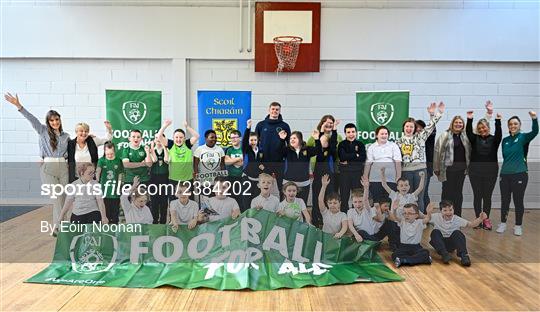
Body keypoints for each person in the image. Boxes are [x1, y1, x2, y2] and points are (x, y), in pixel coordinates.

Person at [4, 92, 70, 226]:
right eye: (52, 120)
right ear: (48, 122)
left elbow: (73, 151)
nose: (55, 122)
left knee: (64, 198)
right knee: (57, 197)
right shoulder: (42, 130)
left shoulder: (66, 136)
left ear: (60, 120)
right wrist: (19, 106)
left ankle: (65, 224)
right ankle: (59, 226)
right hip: (48, 168)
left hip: (63, 168)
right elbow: (31, 119)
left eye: (57, 119)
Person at [396, 102, 444, 213]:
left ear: (414, 128)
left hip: (420, 170)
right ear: (403, 128)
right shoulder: (398, 141)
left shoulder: (421, 137)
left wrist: (437, 113)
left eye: (411, 126)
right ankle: (408, 219)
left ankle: (419, 221)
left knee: (419, 198)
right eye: (407, 126)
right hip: (406, 172)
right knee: (408, 198)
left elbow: (430, 127)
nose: (409, 128)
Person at [496, 111, 538, 236]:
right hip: (505, 174)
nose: (513, 126)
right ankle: (503, 223)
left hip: (520, 174)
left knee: (518, 200)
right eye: (510, 124)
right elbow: (505, 156)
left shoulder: (523, 138)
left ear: (519, 125)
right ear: (508, 126)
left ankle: (518, 225)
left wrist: (534, 118)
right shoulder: (505, 140)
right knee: (505, 200)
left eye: (515, 124)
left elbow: (535, 131)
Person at [465, 103, 502, 230]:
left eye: (484, 127)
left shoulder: (494, 139)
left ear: (488, 127)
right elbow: (468, 131)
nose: (482, 130)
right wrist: (469, 119)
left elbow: (499, 133)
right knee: (477, 196)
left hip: (491, 172)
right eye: (479, 128)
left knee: (487, 196)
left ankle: (486, 219)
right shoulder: (474, 139)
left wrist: (497, 120)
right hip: (475, 172)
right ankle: (478, 219)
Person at [429, 200, 487, 266]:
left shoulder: (457, 219)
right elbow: (423, 218)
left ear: (453, 210)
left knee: (457, 233)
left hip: (451, 244)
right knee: (435, 232)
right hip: (439, 243)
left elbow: (471, 224)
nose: (448, 212)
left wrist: (480, 219)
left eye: (450, 210)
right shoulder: (436, 216)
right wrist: (428, 212)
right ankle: (444, 254)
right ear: (441, 211)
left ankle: (464, 256)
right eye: (445, 210)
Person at [347, 177, 400, 250]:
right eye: (355, 202)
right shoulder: (350, 211)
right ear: (352, 202)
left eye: (360, 202)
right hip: (364, 236)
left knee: (390, 223)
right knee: (361, 232)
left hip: (376, 235)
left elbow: (365, 200)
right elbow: (350, 225)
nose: (358, 204)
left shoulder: (367, 209)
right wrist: (356, 235)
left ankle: (393, 245)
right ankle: (373, 244)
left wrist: (366, 188)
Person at [434, 116, 471, 217]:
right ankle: (445, 215)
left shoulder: (466, 136)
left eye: (460, 123)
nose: (458, 124)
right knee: (447, 193)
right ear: (452, 124)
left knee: (458, 193)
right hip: (447, 170)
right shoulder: (445, 135)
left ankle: (457, 216)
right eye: (456, 122)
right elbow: (437, 151)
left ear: (463, 125)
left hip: (461, 170)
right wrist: (436, 167)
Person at [156, 120, 199, 197]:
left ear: (184, 138)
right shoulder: (171, 144)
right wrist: (165, 125)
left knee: (188, 201)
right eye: (176, 137)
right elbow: (159, 136)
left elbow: (197, 136)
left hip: (187, 179)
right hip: (174, 179)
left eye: (181, 137)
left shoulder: (187, 144)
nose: (178, 139)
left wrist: (187, 127)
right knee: (174, 202)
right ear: (173, 138)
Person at [255, 102, 291, 194]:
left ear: (279, 111)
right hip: (265, 162)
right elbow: (255, 144)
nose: (275, 111)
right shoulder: (261, 125)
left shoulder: (285, 126)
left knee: (282, 187)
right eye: (273, 109)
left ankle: (282, 206)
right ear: (269, 110)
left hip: (280, 162)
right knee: (264, 186)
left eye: (277, 109)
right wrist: (258, 161)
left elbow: (290, 144)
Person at [279, 129, 321, 206]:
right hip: (288, 183)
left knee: (302, 206)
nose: (292, 140)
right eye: (291, 138)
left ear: (300, 139)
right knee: (287, 206)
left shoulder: (307, 149)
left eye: (294, 138)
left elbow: (318, 151)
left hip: (304, 184)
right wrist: (282, 140)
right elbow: (279, 152)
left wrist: (317, 139)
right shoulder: (287, 150)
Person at [363, 126, 402, 203]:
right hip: (375, 180)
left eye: (386, 134)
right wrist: (365, 178)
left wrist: (398, 178)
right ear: (377, 135)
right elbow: (368, 164)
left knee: (390, 202)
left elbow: (398, 163)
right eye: (382, 134)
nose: (384, 135)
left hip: (391, 180)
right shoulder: (372, 147)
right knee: (376, 203)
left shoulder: (393, 146)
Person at [389, 201, 433, 268]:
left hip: (416, 247)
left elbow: (428, 219)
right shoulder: (402, 221)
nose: (406, 215)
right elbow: (395, 217)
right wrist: (394, 210)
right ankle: (421, 260)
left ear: (416, 215)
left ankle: (405, 260)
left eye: (409, 213)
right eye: (405, 213)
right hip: (404, 246)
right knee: (394, 255)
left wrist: (429, 212)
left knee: (425, 252)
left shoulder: (419, 222)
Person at [338, 123, 366, 212]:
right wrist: (356, 155)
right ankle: (345, 219)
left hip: (357, 173)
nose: (351, 134)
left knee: (357, 197)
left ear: (356, 132)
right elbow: (342, 157)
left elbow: (362, 158)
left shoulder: (360, 144)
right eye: (348, 132)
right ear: (345, 133)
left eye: (353, 132)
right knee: (344, 197)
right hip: (344, 174)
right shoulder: (342, 144)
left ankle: (357, 218)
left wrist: (348, 159)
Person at [96, 142, 124, 224]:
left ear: (114, 151)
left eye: (111, 153)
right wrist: (97, 180)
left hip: (115, 192)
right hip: (104, 191)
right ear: (104, 151)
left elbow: (120, 175)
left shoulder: (118, 160)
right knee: (105, 214)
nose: (109, 155)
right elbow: (98, 171)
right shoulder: (101, 160)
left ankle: (114, 232)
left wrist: (119, 187)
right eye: (107, 154)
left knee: (115, 215)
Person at [414, 119, 436, 213]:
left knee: (423, 192)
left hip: (426, 169)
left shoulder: (428, 138)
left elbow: (433, 130)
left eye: (421, 127)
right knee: (415, 192)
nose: (418, 129)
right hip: (413, 169)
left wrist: (432, 116)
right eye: (417, 127)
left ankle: (426, 215)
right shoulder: (412, 139)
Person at [242, 119, 265, 208]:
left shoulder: (261, 151)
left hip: (258, 179)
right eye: (251, 140)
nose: (253, 142)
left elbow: (264, 162)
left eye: (255, 140)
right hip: (247, 178)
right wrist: (248, 128)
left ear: (258, 140)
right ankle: (245, 217)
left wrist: (264, 166)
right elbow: (244, 141)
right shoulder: (247, 149)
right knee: (246, 199)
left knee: (256, 200)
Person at [149, 134, 170, 224]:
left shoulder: (167, 150)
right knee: (154, 202)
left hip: (164, 178)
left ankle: (162, 222)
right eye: (156, 138)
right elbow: (154, 160)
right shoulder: (151, 151)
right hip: (153, 178)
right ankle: (154, 221)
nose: (158, 140)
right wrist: (152, 149)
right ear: (154, 140)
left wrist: (165, 147)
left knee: (164, 202)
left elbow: (167, 160)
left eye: (161, 138)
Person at [224, 129, 244, 210]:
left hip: (242, 178)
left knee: (242, 199)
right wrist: (239, 158)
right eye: (232, 138)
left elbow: (244, 163)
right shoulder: (229, 150)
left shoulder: (244, 149)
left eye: (235, 137)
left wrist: (232, 161)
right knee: (232, 198)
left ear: (240, 138)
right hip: (231, 178)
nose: (233, 139)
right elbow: (226, 162)